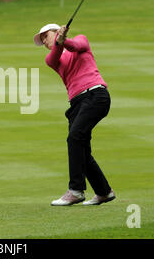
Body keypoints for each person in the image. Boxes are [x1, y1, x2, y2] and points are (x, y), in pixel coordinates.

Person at [33, 23, 115, 206]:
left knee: (75, 138)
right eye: (43, 39)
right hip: (77, 104)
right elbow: (56, 56)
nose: (45, 40)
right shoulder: (50, 58)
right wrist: (58, 43)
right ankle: (104, 191)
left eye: (47, 35)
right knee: (82, 149)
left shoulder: (80, 39)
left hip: (95, 95)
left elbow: (76, 46)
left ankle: (76, 190)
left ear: (57, 31)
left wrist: (64, 40)